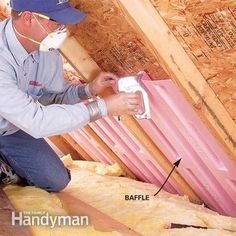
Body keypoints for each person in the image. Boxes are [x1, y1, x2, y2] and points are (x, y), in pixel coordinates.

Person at [0, 0, 140, 192]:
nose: (62, 29)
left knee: (56, 180)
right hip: (22, 122)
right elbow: (36, 121)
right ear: (28, 18)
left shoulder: (47, 53)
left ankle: (7, 166)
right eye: (57, 22)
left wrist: (88, 90)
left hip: (12, 128)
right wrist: (102, 107)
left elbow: (52, 98)